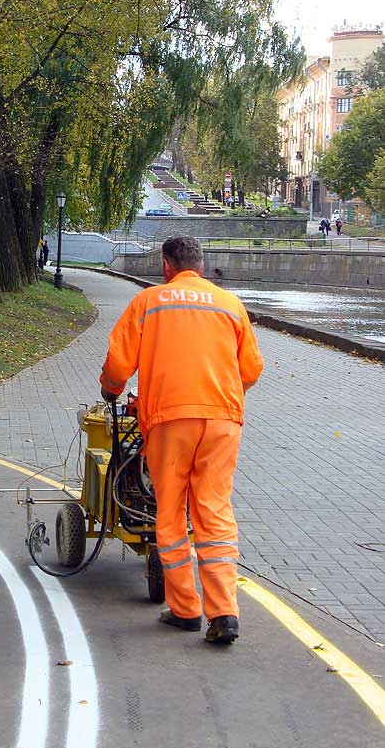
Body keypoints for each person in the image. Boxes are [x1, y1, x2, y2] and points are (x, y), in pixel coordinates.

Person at [99, 236, 263, 644]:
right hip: (222, 421)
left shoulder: (149, 302)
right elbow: (251, 370)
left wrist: (111, 389)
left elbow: (118, 363)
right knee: (214, 510)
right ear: (202, 267)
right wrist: (223, 393)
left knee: (171, 511)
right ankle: (224, 612)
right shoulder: (230, 304)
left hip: (170, 420)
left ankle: (186, 609)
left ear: (166, 266)